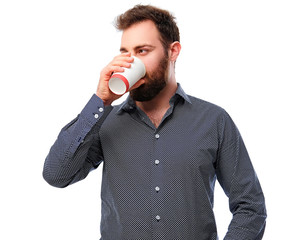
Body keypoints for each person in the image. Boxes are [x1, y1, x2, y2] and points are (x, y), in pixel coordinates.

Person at [43, 4, 267, 239]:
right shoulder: (105, 123)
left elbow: (250, 207)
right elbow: (57, 175)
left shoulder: (214, 121)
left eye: (142, 51)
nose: (130, 62)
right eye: (125, 52)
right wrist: (101, 101)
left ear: (173, 52)